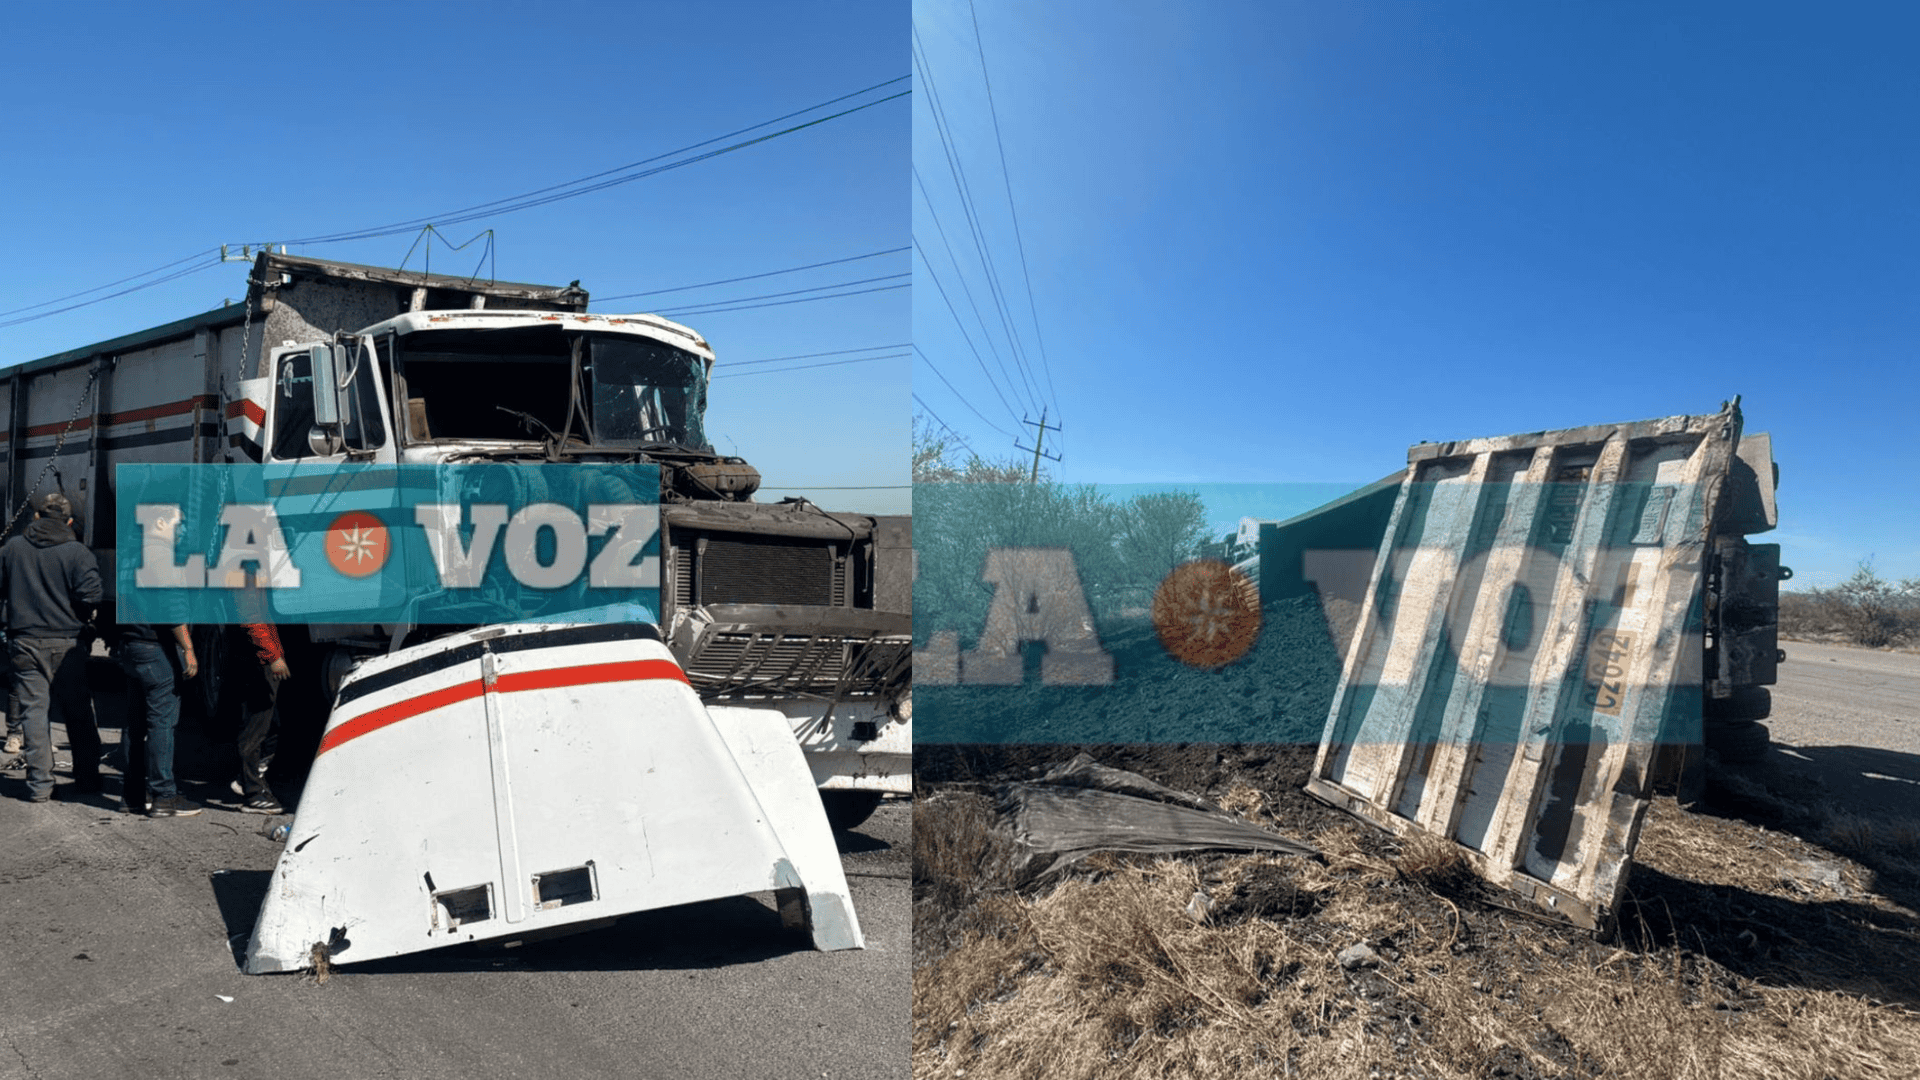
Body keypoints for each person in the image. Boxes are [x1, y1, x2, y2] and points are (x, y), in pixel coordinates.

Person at [0, 492, 104, 803]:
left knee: (33, 714)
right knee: (79, 713)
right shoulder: (78, 552)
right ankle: (88, 779)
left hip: (25, 642)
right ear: (70, 521)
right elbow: (92, 596)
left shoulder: (12, 549)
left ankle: (39, 786)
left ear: (35, 517)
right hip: (67, 643)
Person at [116, 621, 201, 818]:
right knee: (161, 723)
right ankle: (163, 796)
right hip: (156, 648)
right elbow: (172, 614)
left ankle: (131, 797)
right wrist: (188, 649)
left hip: (131, 644)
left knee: (134, 725)